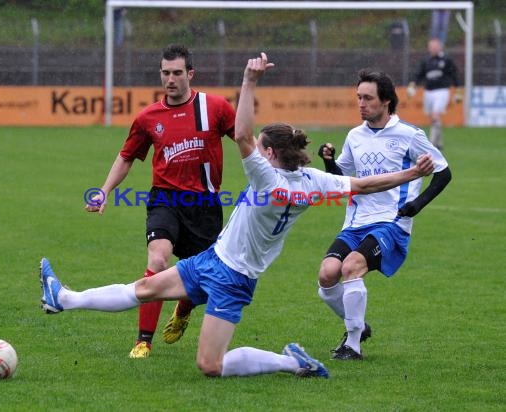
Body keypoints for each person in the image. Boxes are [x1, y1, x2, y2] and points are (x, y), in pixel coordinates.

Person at [40, 53, 434, 378]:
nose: (254, 148)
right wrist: (411, 174)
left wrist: (249, 81)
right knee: (144, 288)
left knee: (210, 365)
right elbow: (364, 185)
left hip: (233, 278)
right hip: (213, 260)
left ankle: (290, 361)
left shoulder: (265, 178)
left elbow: (243, 133)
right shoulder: (312, 181)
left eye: (261, 146)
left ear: (269, 153)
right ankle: (64, 298)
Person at [85, 44, 236, 358]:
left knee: (208, 281)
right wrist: (105, 190)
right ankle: (143, 341)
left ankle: (183, 308)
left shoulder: (216, 107)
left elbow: (246, 139)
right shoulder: (148, 117)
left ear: (190, 74)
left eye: (177, 73)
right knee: (157, 259)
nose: (170, 79)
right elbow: (126, 157)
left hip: (205, 205)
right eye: (165, 73)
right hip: (164, 199)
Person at [317, 69, 452, 360]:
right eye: (358, 97)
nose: (361, 104)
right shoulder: (355, 136)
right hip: (354, 222)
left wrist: (417, 205)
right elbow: (343, 178)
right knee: (327, 275)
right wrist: (328, 161)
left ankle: (352, 344)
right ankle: (359, 325)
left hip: (392, 223)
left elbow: (443, 173)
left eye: (368, 98)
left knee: (351, 267)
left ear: (386, 101)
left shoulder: (409, 135)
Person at [406, 38, 461, 151]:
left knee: (436, 115)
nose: (433, 48)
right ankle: (439, 142)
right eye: (431, 46)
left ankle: (431, 143)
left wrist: (458, 91)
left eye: (435, 46)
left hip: (442, 91)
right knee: (433, 118)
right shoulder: (426, 60)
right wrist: (413, 85)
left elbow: (454, 74)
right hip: (429, 92)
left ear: (440, 47)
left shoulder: (446, 60)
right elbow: (418, 74)